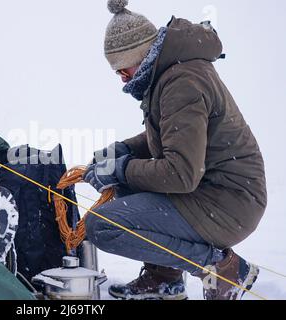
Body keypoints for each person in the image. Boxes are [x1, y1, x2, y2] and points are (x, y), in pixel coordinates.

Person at [83, 0, 267, 300]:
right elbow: (173, 133)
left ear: (140, 56)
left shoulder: (182, 82)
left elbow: (181, 174)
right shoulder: (173, 73)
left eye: (122, 69)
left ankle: (223, 269)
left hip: (229, 203)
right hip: (218, 194)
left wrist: (122, 168)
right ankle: (164, 278)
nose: (122, 78)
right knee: (127, 186)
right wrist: (122, 150)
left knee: (102, 226)